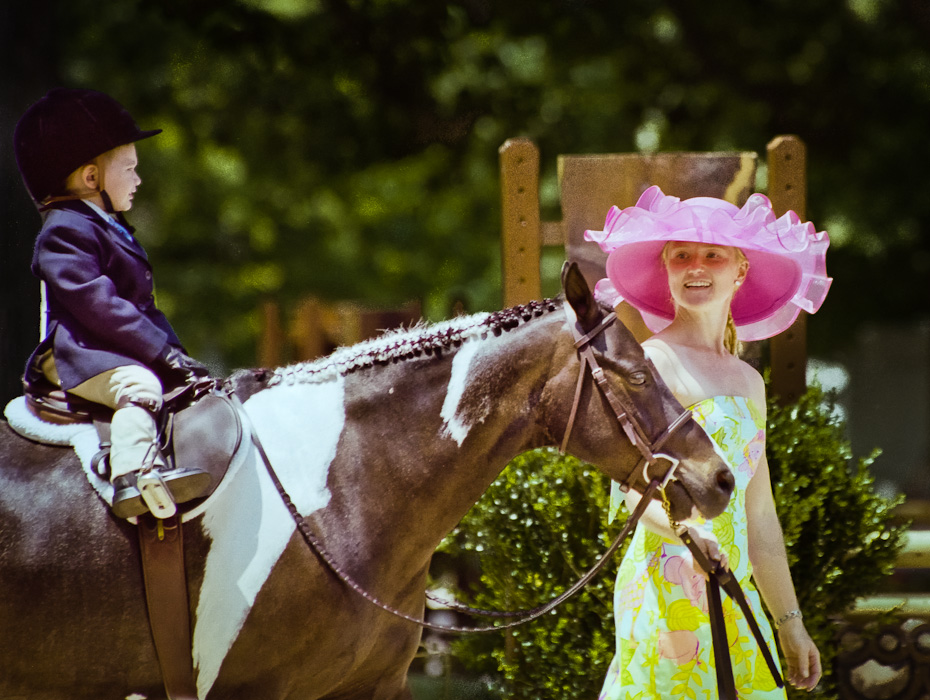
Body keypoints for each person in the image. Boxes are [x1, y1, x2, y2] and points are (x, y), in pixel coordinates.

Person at [585, 185, 831, 698]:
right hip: (666, 586)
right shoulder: (650, 365)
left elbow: (759, 512)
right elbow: (632, 490)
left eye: (713, 255)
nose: (696, 266)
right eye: (681, 256)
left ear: (740, 269)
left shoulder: (749, 383)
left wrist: (789, 622)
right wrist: (687, 530)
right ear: (667, 270)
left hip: (735, 592)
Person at [13, 88, 212, 519]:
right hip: (77, 353)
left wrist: (179, 357)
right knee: (139, 388)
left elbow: (146, 312)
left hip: (105, 347)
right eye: (130, 169)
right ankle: (132, 476)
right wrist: (159, 355)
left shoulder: (110, 227)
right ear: (91, 178)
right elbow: (98, 306)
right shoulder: (64, 232)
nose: (139, 180)